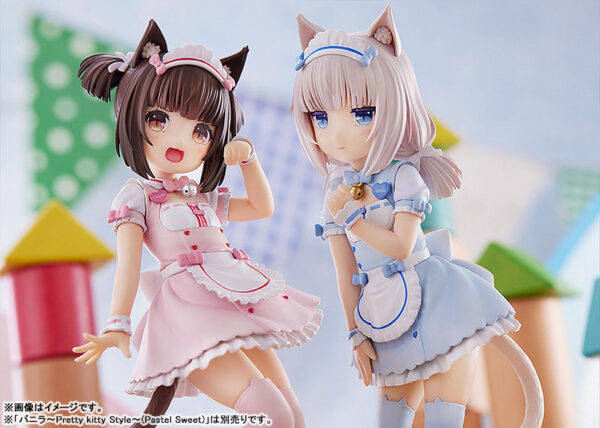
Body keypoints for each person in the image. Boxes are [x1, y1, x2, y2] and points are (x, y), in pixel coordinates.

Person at [291, 6, 542, 428]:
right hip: (384, 315)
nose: (337, 133)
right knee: (391, 419)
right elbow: (345, 271)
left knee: (443, 417)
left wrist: (352, 218)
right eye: (321, 117)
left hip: (438, 303)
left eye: (362, 113)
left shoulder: (403, 177)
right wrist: (355, 334)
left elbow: (402, 246)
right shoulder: (334, 194)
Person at [73, 19, 321, 428]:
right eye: (159, 119)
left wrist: (250, 162)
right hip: (188, 319)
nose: (180, 140)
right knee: (272, 414)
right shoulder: (136, 197)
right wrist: (119, 324)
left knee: (291, 414)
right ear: (135, 118)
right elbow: (128, 266)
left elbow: (261, 207)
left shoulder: (202, 197)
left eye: (201, 130)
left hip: (234, 302)